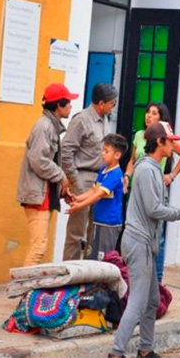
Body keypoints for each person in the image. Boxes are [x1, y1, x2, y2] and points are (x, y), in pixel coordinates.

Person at [110, 121, 180, 358]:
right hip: (139, 242)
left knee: (152, 300)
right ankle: (116, 352)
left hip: (145, 243)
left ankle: (145, 349)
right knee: (138, 301)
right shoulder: (147, 170)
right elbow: (154, 209)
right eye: (170, 141)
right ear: (159, 142)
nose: (173, 145)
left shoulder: (151, 168)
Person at [124, 103, 180, 282]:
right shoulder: (139, 136)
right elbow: (132, 160)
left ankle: (156, 279)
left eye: (154, 113)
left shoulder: (165, 140)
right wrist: (127, 176)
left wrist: (171, 175)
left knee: (156, 235)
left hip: (156, 187)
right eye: (148, 112)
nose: (148, 116)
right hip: (139, 186)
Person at [17, 83, 78, 267]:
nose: (71, 106)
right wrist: (61, 176)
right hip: (37, 197)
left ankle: (26, 292)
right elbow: (38, 160)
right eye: (68, 103)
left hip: (43, 194)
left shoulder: (48, 126)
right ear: (59, 105)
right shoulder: (44, 127)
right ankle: (25, 292)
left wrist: (61, 189)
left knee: (39, 247)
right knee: (38, 248)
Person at [61, 83, 118, 260]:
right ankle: (69, 274)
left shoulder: (106, 120)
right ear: (101, 103)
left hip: (100, 179)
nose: (114, 106)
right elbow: (66, 151)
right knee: (76, 233)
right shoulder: (82, 120)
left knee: (94, 232)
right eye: (112, 103)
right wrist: (73, 181)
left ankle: (87, 274)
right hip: (83, 177)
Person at [67, 134, 128, 261]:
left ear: (117, 155)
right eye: (103, 150)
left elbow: (99, 195)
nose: (103, 153)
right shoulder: (103, 170)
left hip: (109, 223)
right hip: (98, 220)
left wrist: (79, 206)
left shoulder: (116, 174)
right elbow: (93, 190)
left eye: (106, 151)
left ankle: (102, 282)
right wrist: (78, 199)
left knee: (104, 258)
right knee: (92, 254)